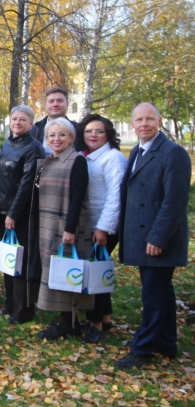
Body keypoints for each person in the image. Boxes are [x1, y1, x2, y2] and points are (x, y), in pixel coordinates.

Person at [115, 103, 191, 368]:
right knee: (161, 292)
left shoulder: (173, 154)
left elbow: (175, 202)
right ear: (132, 123)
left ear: (159, 121)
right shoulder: (137, 150)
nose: (144, 123)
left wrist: (158, 238)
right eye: (139, 119)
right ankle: (166, 342)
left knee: (153, 296)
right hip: (141, 235)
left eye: (149, 118)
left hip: (158, 238)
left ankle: (143, 349)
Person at [30, 118, 93, 340]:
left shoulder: (77, 161)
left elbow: (78, 197)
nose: (56, 139)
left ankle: (70, 321)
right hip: (48, 225)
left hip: (66, 225)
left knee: (67, 272)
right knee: (54, 271)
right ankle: (65, 319)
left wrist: (70, 228)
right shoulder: (49, 160)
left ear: (71, 138)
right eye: (52, 135)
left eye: (62, 135)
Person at [75, 114, 127, 343]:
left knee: (95, 274)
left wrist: (103, 228)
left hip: (104, 225)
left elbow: (116, 196)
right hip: (90, 222)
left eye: (98, 131)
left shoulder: (113, 158)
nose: (93, 135)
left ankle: (95, 324)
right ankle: (105, 317)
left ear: (108, 135)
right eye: (88, 131)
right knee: (99, 269)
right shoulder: (87, 157)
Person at [0, 105, 45, 324]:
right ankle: (10, 304)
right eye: (14, 119)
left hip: (20, 215)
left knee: (21, 263)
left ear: (31, 123)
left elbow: (27, 185)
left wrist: (13, 214)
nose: (17, 122)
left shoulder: (33, 148)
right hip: (2, 210)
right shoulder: (7, 144)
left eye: (22, 119)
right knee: (8, 260)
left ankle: (23, 310)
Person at [30, 87, 79, 155]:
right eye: (51, 101)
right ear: (45, 105)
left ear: (67, 104)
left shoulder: (78, 129)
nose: (55, 104)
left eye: (59, 101)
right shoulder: (35, 129)